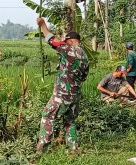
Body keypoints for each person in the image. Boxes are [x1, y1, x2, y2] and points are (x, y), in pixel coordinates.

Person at [36, 18, 89, 152]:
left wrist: (43, 25)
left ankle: (42, 149)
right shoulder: (84, 56)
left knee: (47, 115)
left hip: (62, 94)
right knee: (70, 120)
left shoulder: (67, 48)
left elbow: (51, 40)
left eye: (66, 41)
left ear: (70, 41)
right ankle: (73, 148)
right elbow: (83, 77)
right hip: (75, 95)